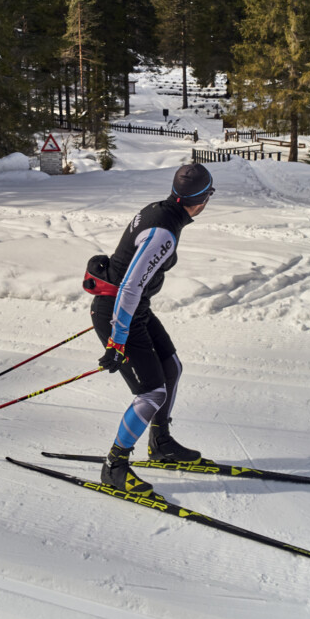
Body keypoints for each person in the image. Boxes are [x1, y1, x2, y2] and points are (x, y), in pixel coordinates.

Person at [85, 162, 215, 496]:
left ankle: (161, 442)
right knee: (151, 392)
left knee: (171, 367)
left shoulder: (161, 210)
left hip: (132, 310)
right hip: (118, 311)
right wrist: (117, 340)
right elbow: (130, 287)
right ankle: (114, 466)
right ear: (201, 200)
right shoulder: (164, 232)